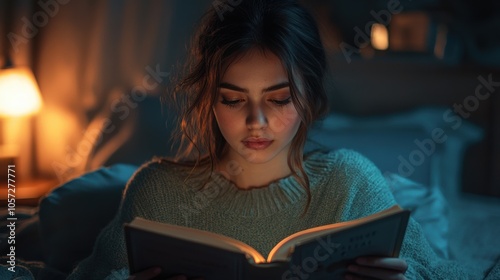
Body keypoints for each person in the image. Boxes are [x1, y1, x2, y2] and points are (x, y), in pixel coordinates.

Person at [66, 0, 477, 279]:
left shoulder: (349, 181)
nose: (255, 121)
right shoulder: (157, 192)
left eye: (279, 99)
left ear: (310, 97)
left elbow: (443, 273)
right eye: (232, 99)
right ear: (210, 99)